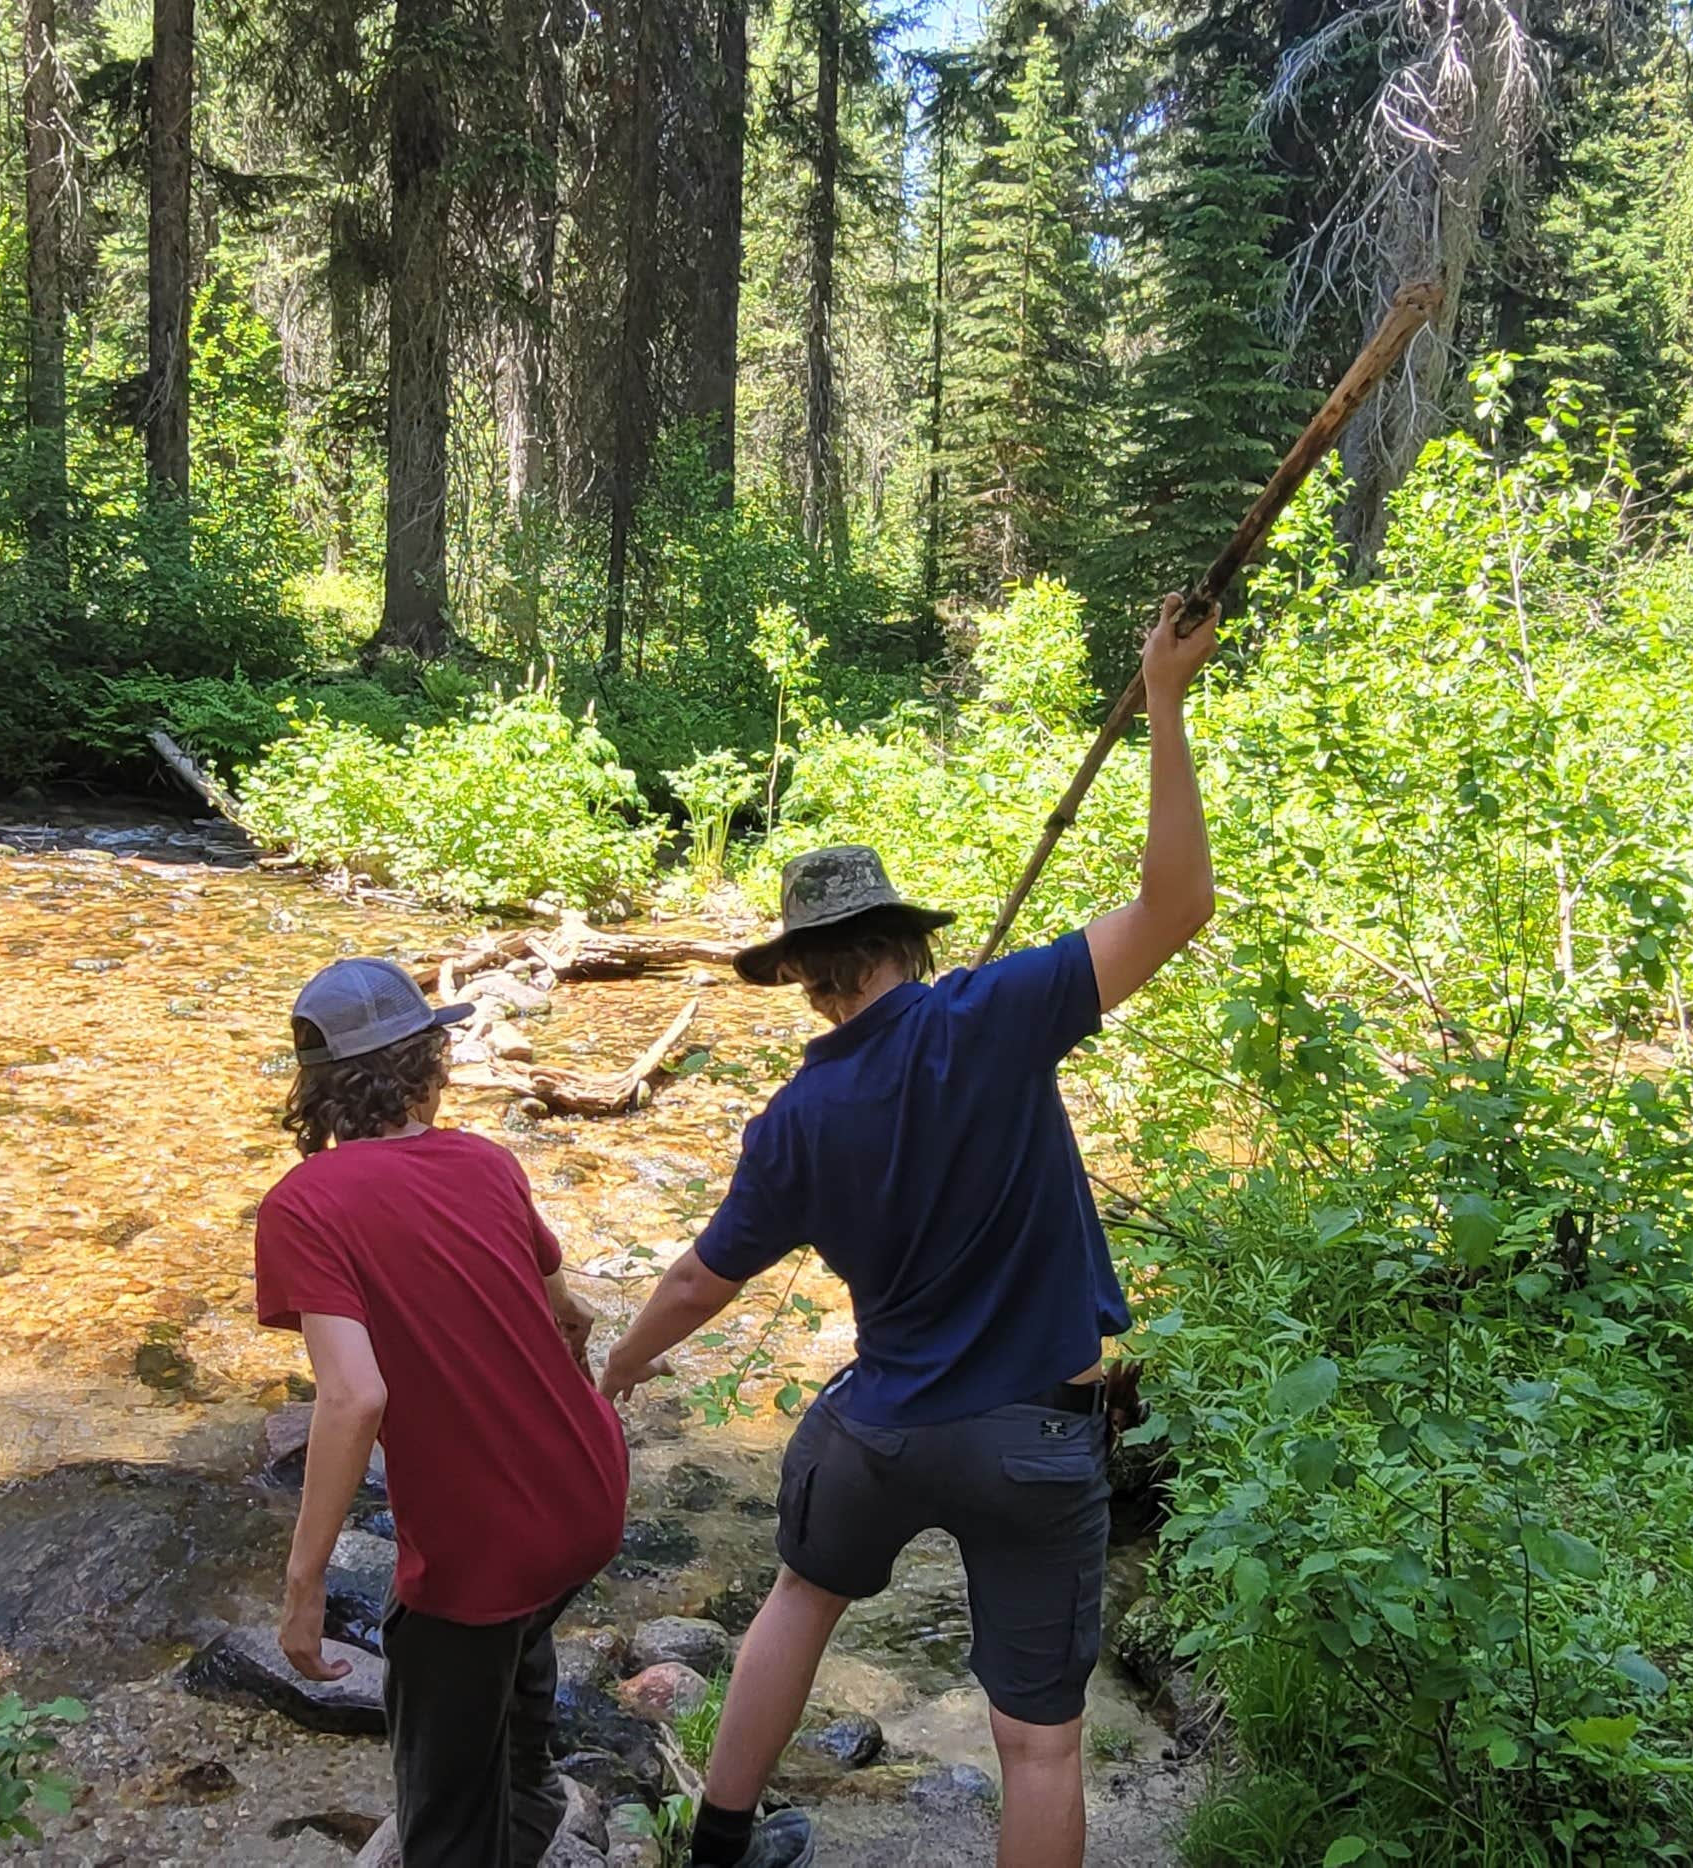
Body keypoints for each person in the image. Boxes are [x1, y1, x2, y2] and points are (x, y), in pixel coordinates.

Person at [599, 597, 1222, 1868]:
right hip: (1038, 1436)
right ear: (907, 944)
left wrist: (619, 1363)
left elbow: (697, 1280)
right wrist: (1162, 700)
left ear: (811, 975)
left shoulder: (794, 1118)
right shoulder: (991, 1014)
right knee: (1038, 1743)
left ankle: (715, 1842)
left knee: (800, 1594)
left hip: (881, 1428)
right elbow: (1177, 903)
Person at [257, 956, 630, 1868]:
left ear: (319, 1092)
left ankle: (480, 1834)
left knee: (440, 1775)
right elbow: (569, 1312)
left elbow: (355, 1397)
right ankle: (533, 1800)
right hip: (591, 1493)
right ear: (432, 1064)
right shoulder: (486, 1161)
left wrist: (303, 1590)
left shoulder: (305, 1205)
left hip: (485, 1544)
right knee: (516, 1624)